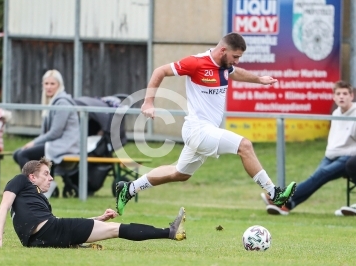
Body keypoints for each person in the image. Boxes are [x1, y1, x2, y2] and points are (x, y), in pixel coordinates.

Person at [115, 32, 297, 216]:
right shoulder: (196, 62)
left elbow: (236, 73)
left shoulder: (226, 66)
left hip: (205, 131)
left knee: (180, 174)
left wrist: (259, 80)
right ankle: (275, 194)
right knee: (245, 146)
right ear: (223, 50)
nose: (237, 61)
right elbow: (160, 71)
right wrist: (148, 102)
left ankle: (129, 189)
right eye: (235, 56)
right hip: (198, 129)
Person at [0, 157, 186, 248]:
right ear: (32, 177)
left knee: (110, 229)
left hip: (41, 239)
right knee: (116, 230)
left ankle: (169, 232)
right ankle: (169, 232)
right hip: (47, 233)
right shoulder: (20, 180)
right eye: (46, 174)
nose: (50, 178)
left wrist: (98, 218)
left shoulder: (39, 199)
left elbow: (60, 224)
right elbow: (3, 207)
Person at [261, 80, 356, 215]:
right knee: (315, 178)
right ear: (334, 97)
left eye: (345, 93)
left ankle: (282, 199)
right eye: (338, 94)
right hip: (331, 155)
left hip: (348, 156)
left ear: (351, 96)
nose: (342, 97)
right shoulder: (336, 113)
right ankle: (287, 205)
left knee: (320, 175)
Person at [13, 69, 79, 196]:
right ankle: (44, 184)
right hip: (54, 143)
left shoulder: (63, 103)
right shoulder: (51, 102)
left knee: (23, 155)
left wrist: (34, 143)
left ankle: (33, 189)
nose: (49, 87)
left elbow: (55, 132)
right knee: (17, 153)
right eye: (46, 83)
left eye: (52, 84)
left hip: (65, 145)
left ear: (59, 85)